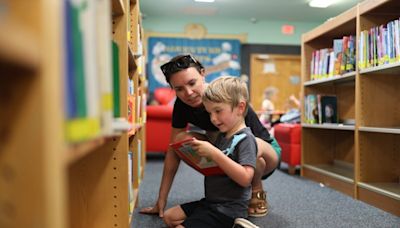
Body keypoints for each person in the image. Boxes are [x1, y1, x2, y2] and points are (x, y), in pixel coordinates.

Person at [140, 54, 281, 218]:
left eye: (192, 83)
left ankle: (256, 191)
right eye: (179, 89)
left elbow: (252, 144)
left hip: (264, 153)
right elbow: (173, 151)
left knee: (249, 144)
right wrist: (161, 199)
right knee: (180, 141)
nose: (189, 93)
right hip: (228, 150)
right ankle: (224, 190)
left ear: (203, 73)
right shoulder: (181, 105)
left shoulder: (226, 96)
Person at [162, 76, 258, 227]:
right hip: (211, 202)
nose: (213, 119)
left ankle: (235, 223)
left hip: (229, 209)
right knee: (169, 217)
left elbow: (246, 178)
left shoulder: (246, 138)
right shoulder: (222, 136)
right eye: (209, 113)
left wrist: (214, 154)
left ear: (240, 108)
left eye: (218, 111)